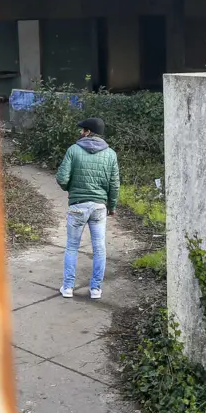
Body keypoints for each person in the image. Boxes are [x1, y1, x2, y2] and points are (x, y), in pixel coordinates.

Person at [55, 117, 119, 299]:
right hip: (99, 207)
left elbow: (61, 178)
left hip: (77, 206)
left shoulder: (73, 150)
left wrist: (72, 190)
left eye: (83, 130)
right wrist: (112, 206)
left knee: (72, 247)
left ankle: (67, 288)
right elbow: (114, 185)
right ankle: (96, 289)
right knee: (99, 249)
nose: (80, 133)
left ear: (88, 132)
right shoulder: (111, 154)